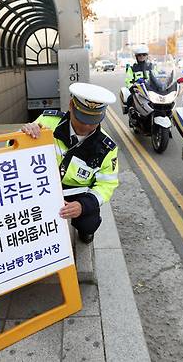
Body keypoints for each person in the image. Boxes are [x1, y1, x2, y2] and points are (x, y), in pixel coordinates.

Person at [21, 83, 119, 244]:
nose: (86, 126)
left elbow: (106, 185)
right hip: (42, 186)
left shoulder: (106, 148)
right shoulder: (47, 121)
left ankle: (85, 231)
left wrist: (83, 205)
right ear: (71, 106)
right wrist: (23, 135)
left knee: (89, 223)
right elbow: (11, 152)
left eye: (93, 120)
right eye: (82, 118)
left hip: (76, 192)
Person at [123, 44, 153, 113]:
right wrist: (133, 86)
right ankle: (131, 111)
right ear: (136, 56)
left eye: (144, 54)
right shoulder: (132, 68)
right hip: (138, 90)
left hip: (151, 90)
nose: (142, 56)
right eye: (139, 55)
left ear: (147, 55)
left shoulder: (151, 66)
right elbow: (128, 80)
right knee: (130, 98)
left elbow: (158, 76)